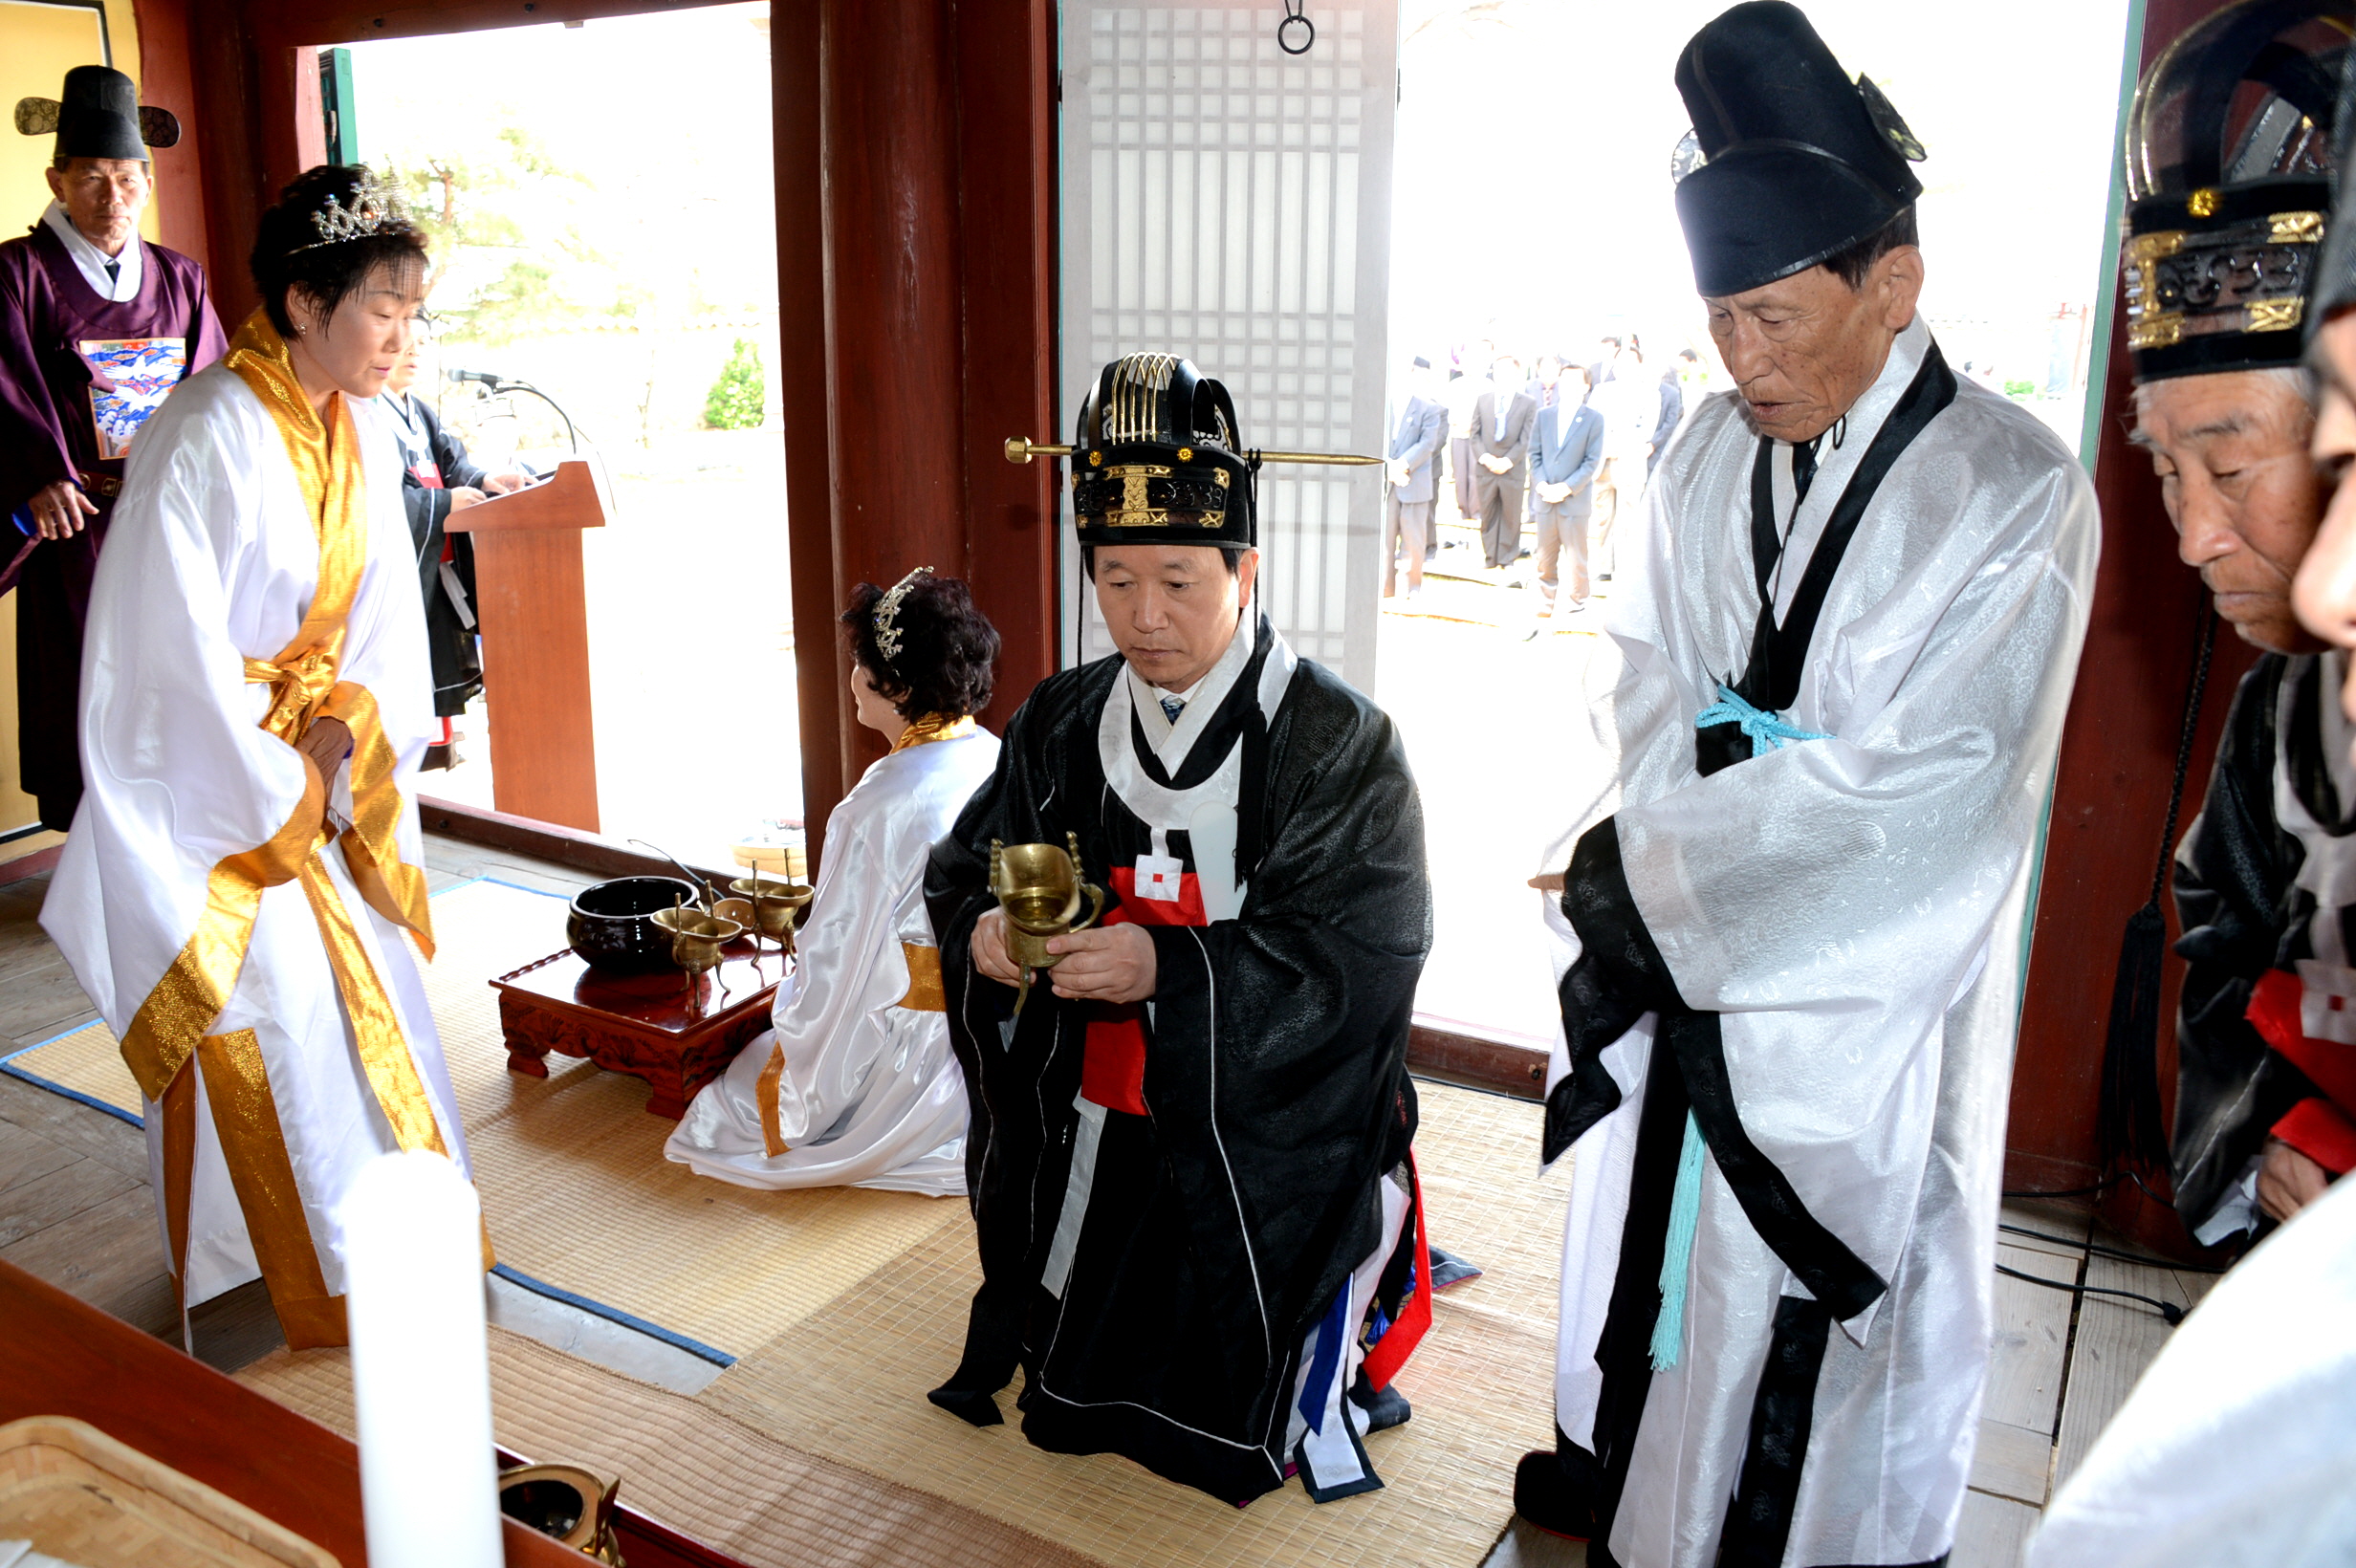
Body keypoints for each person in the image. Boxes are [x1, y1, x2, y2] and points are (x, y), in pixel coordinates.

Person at [1512, 8, 2097, 1564]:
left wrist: (1655, 870)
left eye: (1774, 317)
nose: (1741, 360)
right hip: (1695, 956)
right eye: (1720, 322)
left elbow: (1927, 799)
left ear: (1889, 287)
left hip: (1854, 1020)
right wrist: (1644, 832)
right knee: (1665, 1320)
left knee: (1802, 1370)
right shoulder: (1704, 451)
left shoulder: (2008, 489)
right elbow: (1638, 673)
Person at [924, 354, 1434, 1505]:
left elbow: (1364, 952)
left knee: (1223, 1407)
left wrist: (1173, 965)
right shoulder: (1061, 717)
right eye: (1113, 580)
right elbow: (970, 864)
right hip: (1099, 1105)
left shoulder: (1336, 741)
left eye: (1178, 581)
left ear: (1243, 569)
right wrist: (989, 936)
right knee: (1068, 1387)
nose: (1143, 616)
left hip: (1258, 1125)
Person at [40, 166, 471, 1350]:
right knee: (264, 1005)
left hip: (315, 763)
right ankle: (258, 1271)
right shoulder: (201, 431)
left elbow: (383, 623)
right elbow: (155, 663)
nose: (403, 334)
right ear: (300, 300)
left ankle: (385, 1240)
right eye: (383, 307)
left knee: (368, 997)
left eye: (413, 310)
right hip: (220, 791)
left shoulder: (363, 428)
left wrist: (340, 738)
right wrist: (288, 779)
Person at [2117, 0, 2350, 1246]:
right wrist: (2283, 1128)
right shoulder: (2280, 712)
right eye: (2164, 473)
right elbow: (2228, 942)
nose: (2193, 536)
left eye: (2230, 465)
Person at [667, 570, 1000, 1195]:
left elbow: (836, 954)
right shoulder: (991, 752)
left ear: (895, 686)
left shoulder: (876, 806)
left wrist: (794, 1009)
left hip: (917, 1053)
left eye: (858, 664)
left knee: (744, 1093)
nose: (851, 679)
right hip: (991, 1029)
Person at [1, 65, 226, 831]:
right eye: (93, 178)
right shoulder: (15, 274)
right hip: (79, 521)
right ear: (57, 179)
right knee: (90, 678)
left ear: (149, 179)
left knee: (181, 666)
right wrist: (39, 474)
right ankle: (97, 854)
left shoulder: (180, 277)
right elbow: (1, 386)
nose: (113, 197)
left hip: (166, 515)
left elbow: (212, 393)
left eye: (128, 179)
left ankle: (179, 835)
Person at [380, 334, 521, 768]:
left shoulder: (417, 410)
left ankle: (429, 757)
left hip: (435, 572)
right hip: (399, 578)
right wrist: (442, 503)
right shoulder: (359, 411)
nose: (414, 349)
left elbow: (452, 464)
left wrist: (483, 480)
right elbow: (377, 498)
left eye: (422, 339)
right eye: (401, 336)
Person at [1526, 359, 1604, 625]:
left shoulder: (1594, 419)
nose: (1569, 386)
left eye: (1576, 382)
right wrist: (1541, 484)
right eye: (1565, 380)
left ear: (1586, 386)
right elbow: (1534, 454)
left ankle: (1578, 601)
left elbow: (1592, 461)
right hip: (1545, 497)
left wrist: (1567, 488)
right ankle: (1545, 600)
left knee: (1576, 556)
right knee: (1545, 554)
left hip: (1574, 500)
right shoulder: (1544, 415)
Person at [1385, 355, 1449, 598]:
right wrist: (1389, 467)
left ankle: (1411, 588)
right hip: (1388, 481)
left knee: (1413, 540)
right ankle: (1385, 588)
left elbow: (1428, 444)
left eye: (1405, 372)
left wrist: (1402, 465)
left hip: (1414, 480)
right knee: (1386, 539)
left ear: (1413, 375)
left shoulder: (1429, 408)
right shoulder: (1382, 405)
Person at [1471, 352, 1536, 571]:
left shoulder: (1527, 403)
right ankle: (1490, 556)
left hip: (1512, 468)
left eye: (1508, 371)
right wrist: (1485, 458)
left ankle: (1507, 557)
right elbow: (1475, 434)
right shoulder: (1483, 399)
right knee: (1487, 513)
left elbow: (1527, 438)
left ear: (1517, 374)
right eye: (1499, 371)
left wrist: (1508, 461)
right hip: (1486, 467)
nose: (1503, 375)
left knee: (1511, 514)